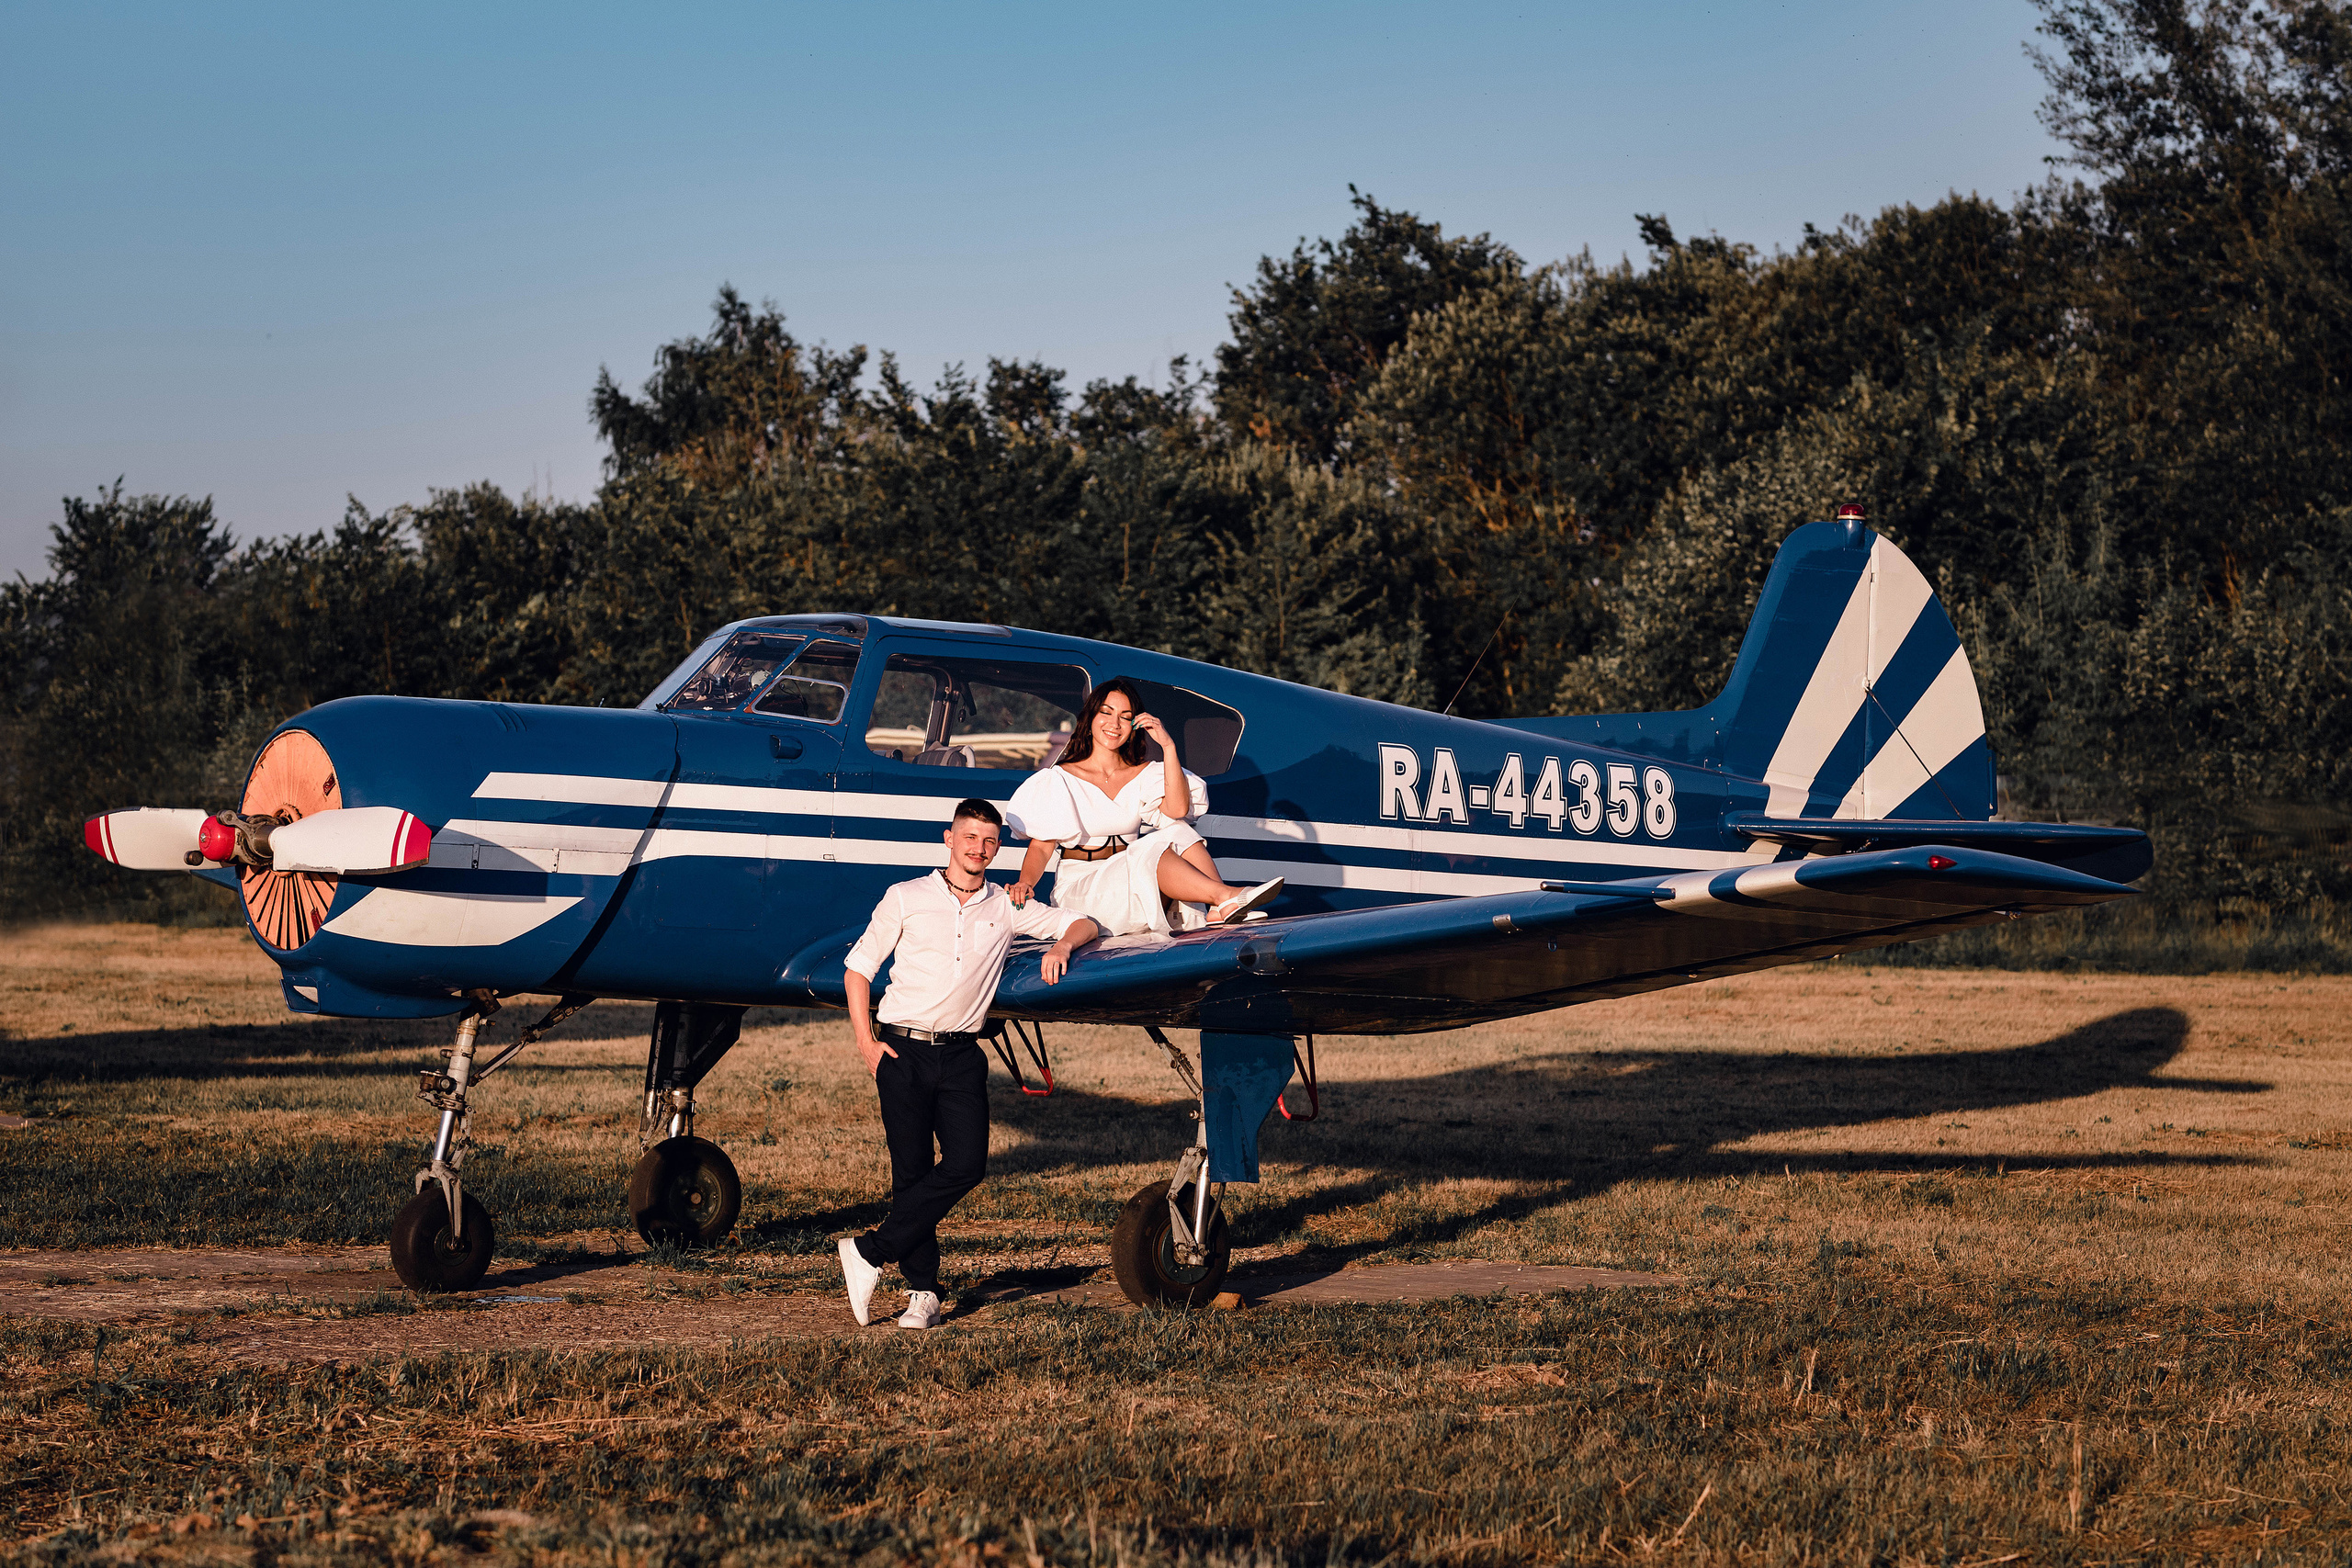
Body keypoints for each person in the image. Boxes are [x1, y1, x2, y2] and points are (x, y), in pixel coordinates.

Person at [838, 797, 1099, 1330]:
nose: (979, 849)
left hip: (961, 1055)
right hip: (901, 1049)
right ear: (949, 839)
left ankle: (868, 1250)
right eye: (970, 837)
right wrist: (867, 1044)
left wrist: (1063, 947)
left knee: (966, 1164)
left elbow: (1084, 922)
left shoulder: (1007, 906)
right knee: (909, 1172)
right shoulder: (906, 896)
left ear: (996, 847)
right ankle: (924, 1292)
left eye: (989, 841)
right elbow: (859, 969)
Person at [1005, 678, 1282, 935]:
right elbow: (1041, 847)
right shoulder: (1059, 779)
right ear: (1090, 717)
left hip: (1131, 882)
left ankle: (1218, 906)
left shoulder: (1143, 774)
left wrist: (1168, 745)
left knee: (1177, 828)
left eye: (1125, 717)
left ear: (1134, 726)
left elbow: (1177, 809)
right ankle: (1225, 896)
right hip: (1083, 891)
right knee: (1147, 848)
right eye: (1106, 712)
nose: (1115, 723)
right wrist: (1025, 884)